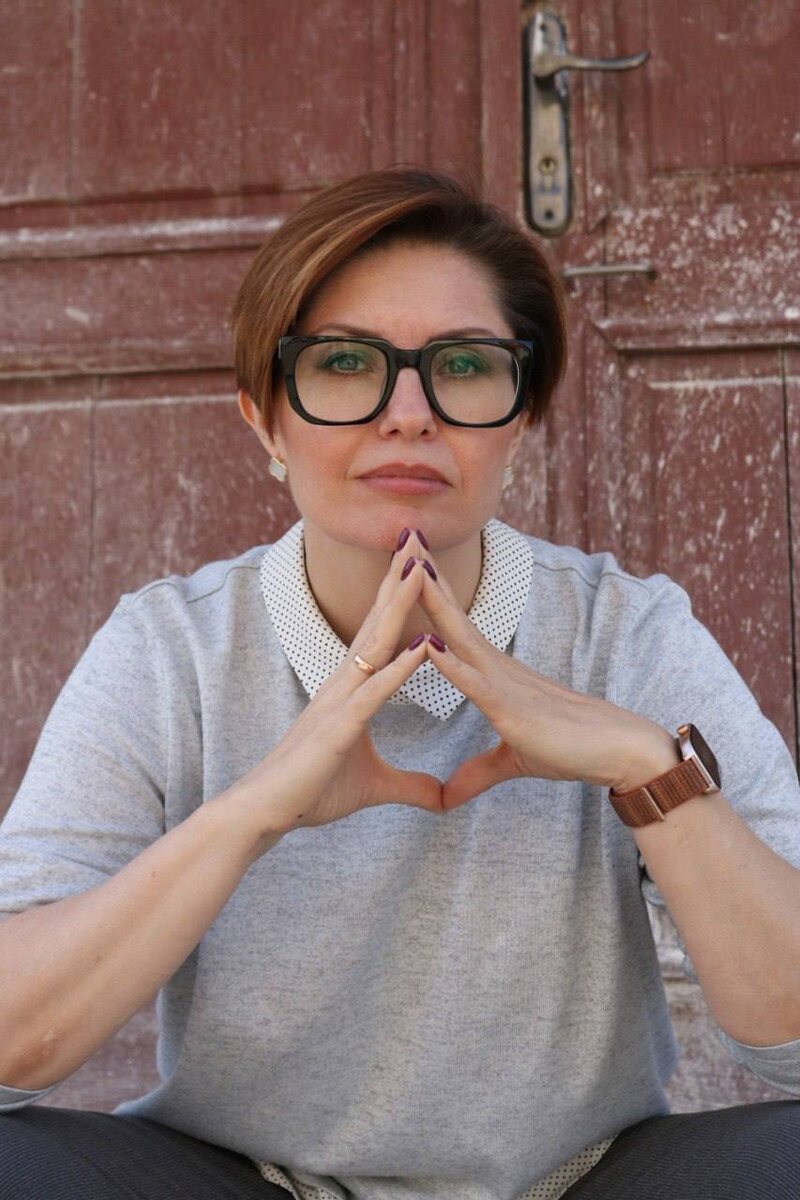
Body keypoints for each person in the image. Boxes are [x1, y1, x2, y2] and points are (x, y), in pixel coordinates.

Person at [0, 166, 799, 1200]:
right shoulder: (168, 650)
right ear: (263, 421)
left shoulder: (628, 633)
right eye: (344, 363)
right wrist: (253, 811)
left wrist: (647, 768)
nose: (409, 415)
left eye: (463, 365)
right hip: (245, 1181)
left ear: (521, 417)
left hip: (579, 1182)